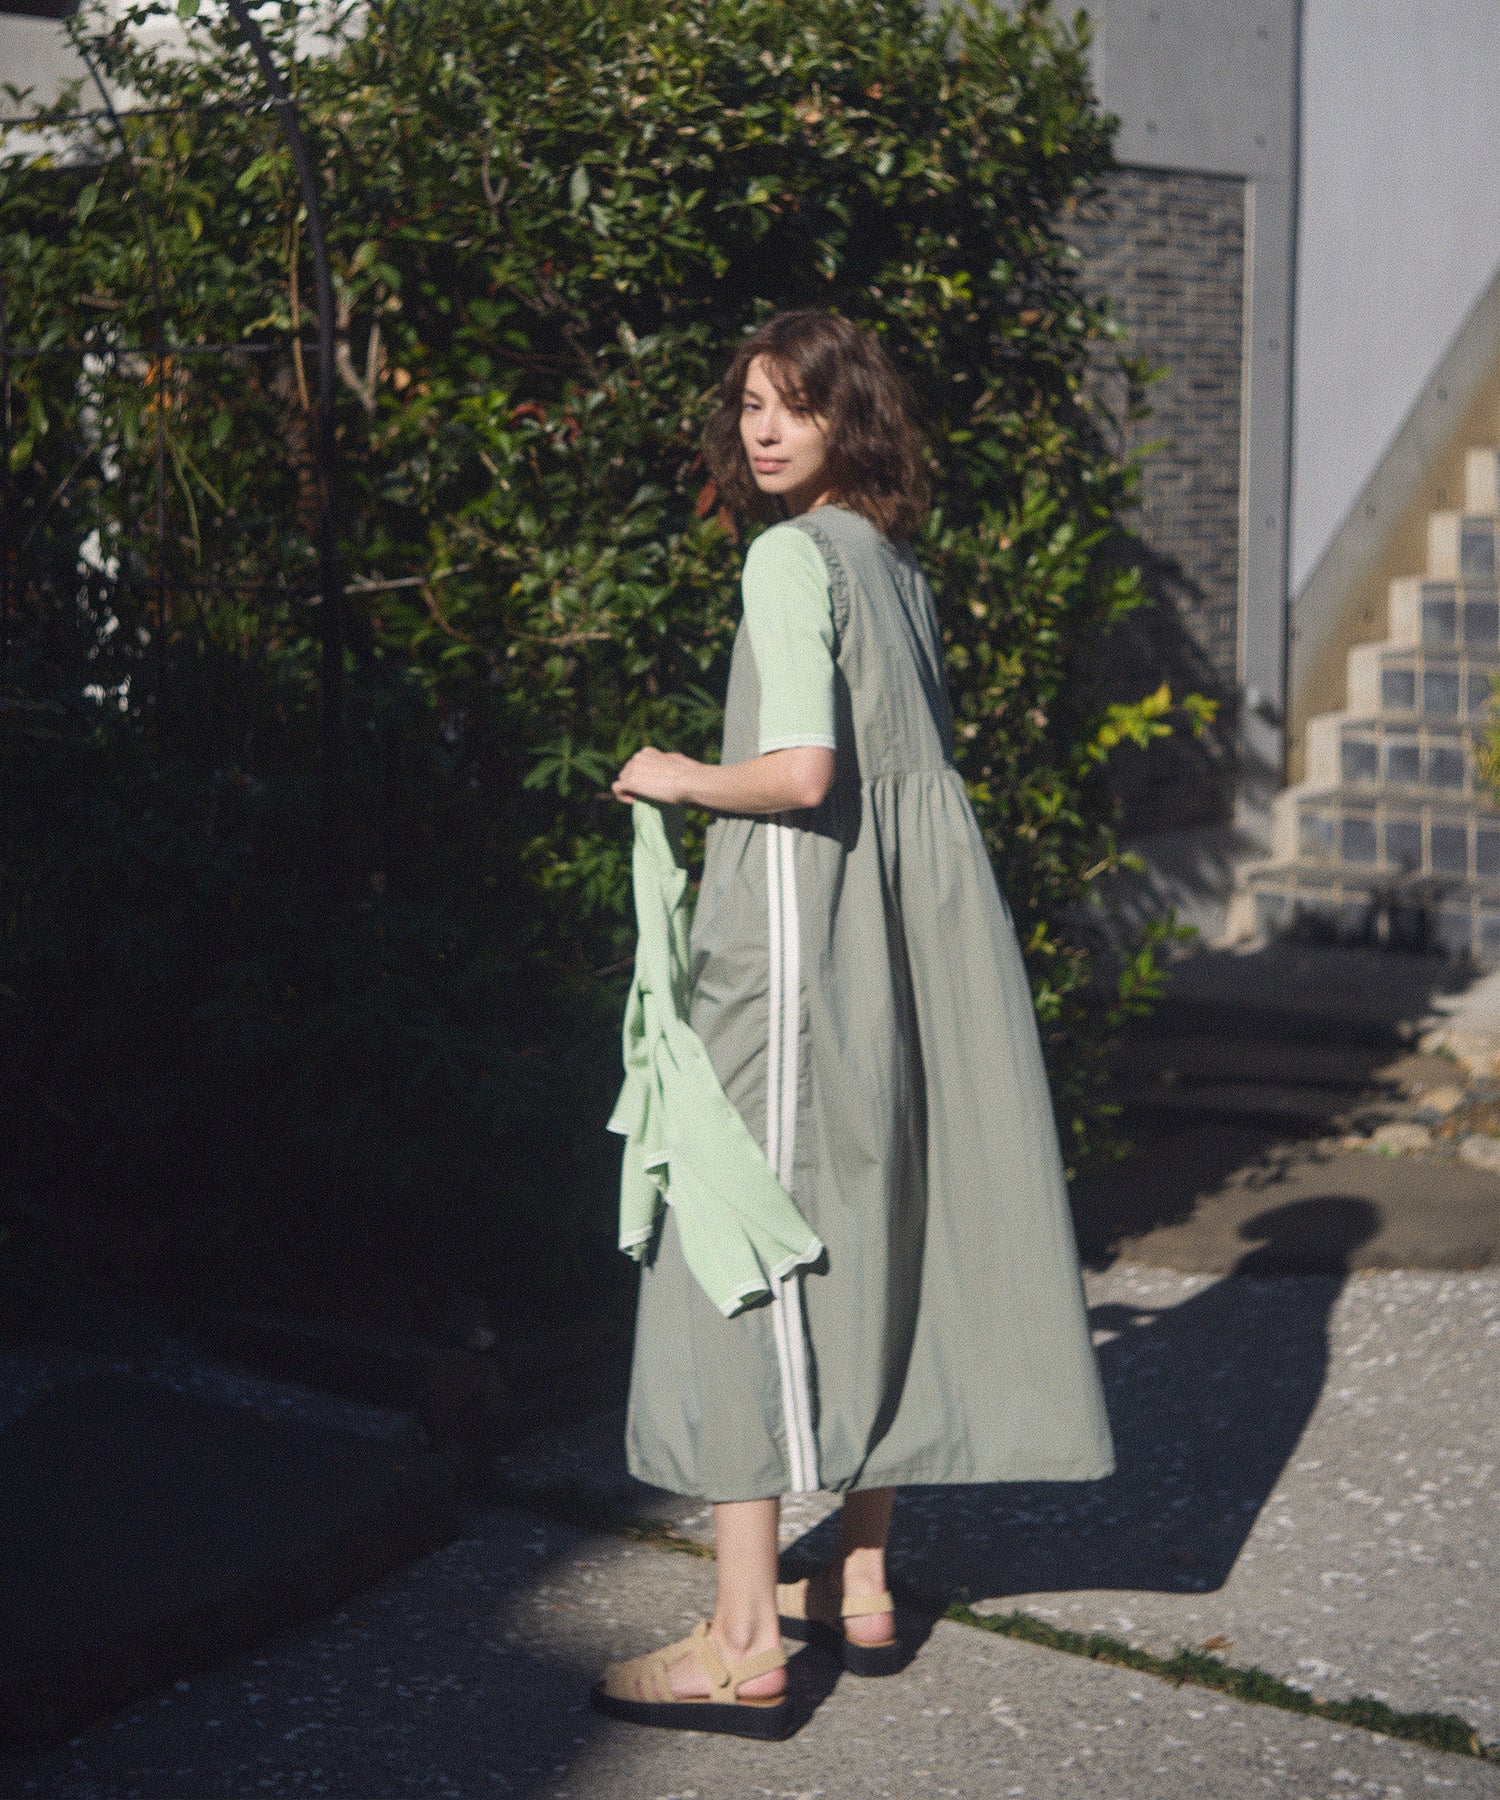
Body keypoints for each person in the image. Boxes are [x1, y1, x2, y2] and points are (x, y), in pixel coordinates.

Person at [594, 311, 1113, 1739]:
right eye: (751, 404)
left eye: (796, 407)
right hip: (909, 949)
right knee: (882, 1227)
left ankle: (741, 1641)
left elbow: (804, 771)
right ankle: (862, 1580)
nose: (763, 430)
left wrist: (675, 774)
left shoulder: (787, 558)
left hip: (797, 946)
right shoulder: (897, 569)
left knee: (734, 1240)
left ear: (847, 420)